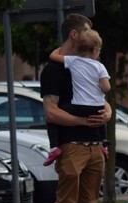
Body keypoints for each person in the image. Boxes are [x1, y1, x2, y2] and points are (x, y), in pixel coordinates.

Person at [41, 13, 111, 203]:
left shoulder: (92, 63)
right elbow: (50, 112)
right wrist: (83, 119)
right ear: (74, 34)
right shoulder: (54, 69)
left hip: (95, 146)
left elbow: (103, 97)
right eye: (87, 30)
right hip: (72, 147)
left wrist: (107, 113)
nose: (90, 34)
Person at [46, 28, 110, 164]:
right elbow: (107, 87)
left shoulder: (73, 61)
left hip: (79, 106)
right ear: (95, 50)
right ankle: (104, 145)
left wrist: (62, 48)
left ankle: (54, 147)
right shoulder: (100, 66)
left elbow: (52, 56)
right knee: (100, 116)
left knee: (54, 116)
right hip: (96, 105)